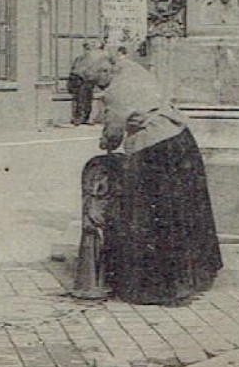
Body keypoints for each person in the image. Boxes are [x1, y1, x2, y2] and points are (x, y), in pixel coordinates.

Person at [80, 52, 223, 305]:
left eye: (96, 82)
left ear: (104, 72)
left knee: (154, 217)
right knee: (184, 211)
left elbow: (114, 131)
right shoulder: (130, 68)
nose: (97, 88)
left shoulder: (117, 90)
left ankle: (162, 288)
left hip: (156, 150)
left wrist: (107, 142)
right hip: (181, 141)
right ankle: (196, 277)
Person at [67, 43, 97, 126]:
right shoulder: (79, 59)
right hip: (80, 82)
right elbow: (73, 70)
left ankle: (86, 118)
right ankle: (77, 118)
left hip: (89, 82)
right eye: (86, 49)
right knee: (78, 100)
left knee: (88, 101)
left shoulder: (94, 60)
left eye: (89, 49)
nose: (87, 51)